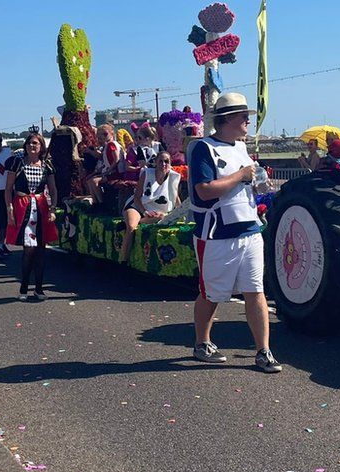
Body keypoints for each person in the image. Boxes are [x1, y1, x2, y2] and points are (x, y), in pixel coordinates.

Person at [186, 92, 282, 373]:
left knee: (256, 291)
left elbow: (245, 183)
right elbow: (203, 191)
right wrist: (241, 176)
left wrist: (258, 184)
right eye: (244, 117)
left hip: (250, 230)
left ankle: (263, 351)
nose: (247, 122)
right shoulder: (203, 148)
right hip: (217, 234)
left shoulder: (240, 147)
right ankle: (202, 342)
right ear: (227, 119)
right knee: (212, 294)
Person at [5, 132, 59, 301]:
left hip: (41, 208)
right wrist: (10, 209)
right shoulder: (17, 163)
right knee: (29, 248)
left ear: (41, 146)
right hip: (23, 207)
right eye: (29, 143)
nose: (32, 146)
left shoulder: (47, 166)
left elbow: (53, 189)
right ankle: (23, 287)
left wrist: (52, 209)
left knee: (41, 250)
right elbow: (8, 189)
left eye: (35, 143)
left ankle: (39, 288)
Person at [118, 151, 180, 264]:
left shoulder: (173, 177)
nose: (163, 164)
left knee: (162, 218)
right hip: (138, 206)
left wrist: (181, 213)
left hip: (155, 211)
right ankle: (124, 261)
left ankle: (136, 222)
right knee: (131, 227)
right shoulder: (147, 174)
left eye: (166, 161)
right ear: (156, 162)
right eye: (160, 161)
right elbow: (137, 197)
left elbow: (175, 198)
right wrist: (144, 211)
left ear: (170, 163)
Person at [82, 124, 124, 207]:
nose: (100, 139)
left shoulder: (112, 144)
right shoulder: (107, 146)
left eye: (104, 135)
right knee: (90, 180)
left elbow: (116, 159)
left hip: (116, 172)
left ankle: (101, 203)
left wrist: (107, 172)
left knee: (94, 181)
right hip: (111, 171)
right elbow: (103, 157)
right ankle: (95, 202)